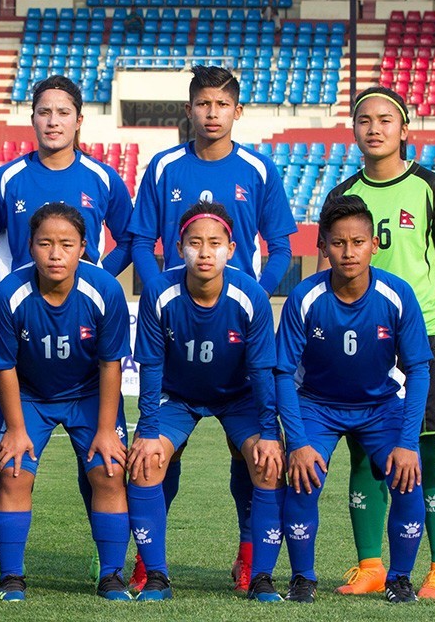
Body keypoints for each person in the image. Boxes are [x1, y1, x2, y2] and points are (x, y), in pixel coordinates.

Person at [127, 64, 297, 591]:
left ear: (237, 111)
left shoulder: (260, 170)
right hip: (181, 334)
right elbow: (140, 242)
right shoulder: (162, 167)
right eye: (203, 104)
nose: (212, 113)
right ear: (190, 109)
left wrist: (250, 291)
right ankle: (146, 559)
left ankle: (250, 558)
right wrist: (162, 294)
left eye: (222, 105)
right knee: (156, 453)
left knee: (252, 460)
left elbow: (283, 248)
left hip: (235, 332)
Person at [322, 86, 435, 599]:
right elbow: (330, 271)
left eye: (385, 119)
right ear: (355, 130)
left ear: (404, 128)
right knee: (365, 455)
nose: (374, 128)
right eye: (364, 119)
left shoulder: (430, 187)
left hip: (425, 338)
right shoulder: (344, 194)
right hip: (364, 340)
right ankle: (369, 565)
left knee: (426, 452)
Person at [276, 194, 431, 604]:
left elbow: (417, 369)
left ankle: (399, 579)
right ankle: (302, 578)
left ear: (374, 244)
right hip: (317, 405)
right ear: (322, 246)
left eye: (358, 242)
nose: (348, 252)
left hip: (380, 408)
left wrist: (408, 444)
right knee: (303, 482)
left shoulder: (398, 295)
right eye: (338, 243)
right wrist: (298, 443)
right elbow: (281, 373)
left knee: (407, 480)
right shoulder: (304, 298)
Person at [127, 201, 285, 602]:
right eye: (195, 243)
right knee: (147, 463)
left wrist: (268, 432)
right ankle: (153, 567)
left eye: (214, 243)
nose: (204, 252)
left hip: (238, 396)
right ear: (179, 248)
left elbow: (263, 372)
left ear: (231, 249)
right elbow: (150, 365)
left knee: (267, 464)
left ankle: (255, 568)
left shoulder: (250, 295)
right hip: (178, 396)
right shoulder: (160, 292)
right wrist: (146, 431)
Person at [0, 203, 132, 601]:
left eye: (66, 244)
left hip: (88, 393)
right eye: (45, 243)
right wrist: (16, 431)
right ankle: (12, 574)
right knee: (14, 472)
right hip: (30, 395)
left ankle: (112, 574)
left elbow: (110, 364)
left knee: (109, 471)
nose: (55, 254)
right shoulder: (9, 294)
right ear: (29, 245)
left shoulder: (104, 290)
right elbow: (4, 367)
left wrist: (105, 430)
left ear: (83, 247)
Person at [0, 74, 132, 282]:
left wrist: (98, 280)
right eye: (44, 112)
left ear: (78, 121)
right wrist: (11, 283)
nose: (53, 122)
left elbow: (130, 241)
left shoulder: (103, 178)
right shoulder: (5, 179)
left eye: (63, 113)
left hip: (83, 309)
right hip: (24, 308)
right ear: (33, 120)